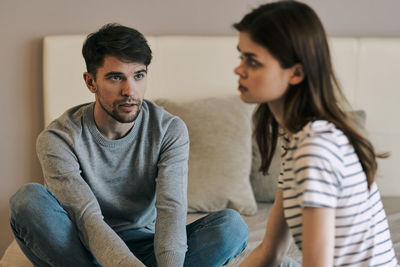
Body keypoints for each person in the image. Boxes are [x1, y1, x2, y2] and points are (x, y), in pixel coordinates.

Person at [9, 23, 248, 267]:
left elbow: (171, 209)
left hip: (146, 246)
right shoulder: (58, 138)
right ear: (91, 82)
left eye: (139, 76)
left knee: (231, 227)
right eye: (116, 77)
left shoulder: (169, 130)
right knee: (27, 200)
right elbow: (86, 218)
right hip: (82, 250)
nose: (129, 90)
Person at [233, 1, 399, 266]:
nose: (239, 69)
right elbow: (270, 252)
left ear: (296, 73)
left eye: (252, 61)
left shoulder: (315, 147)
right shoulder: (296, 140)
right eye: (241, 56)